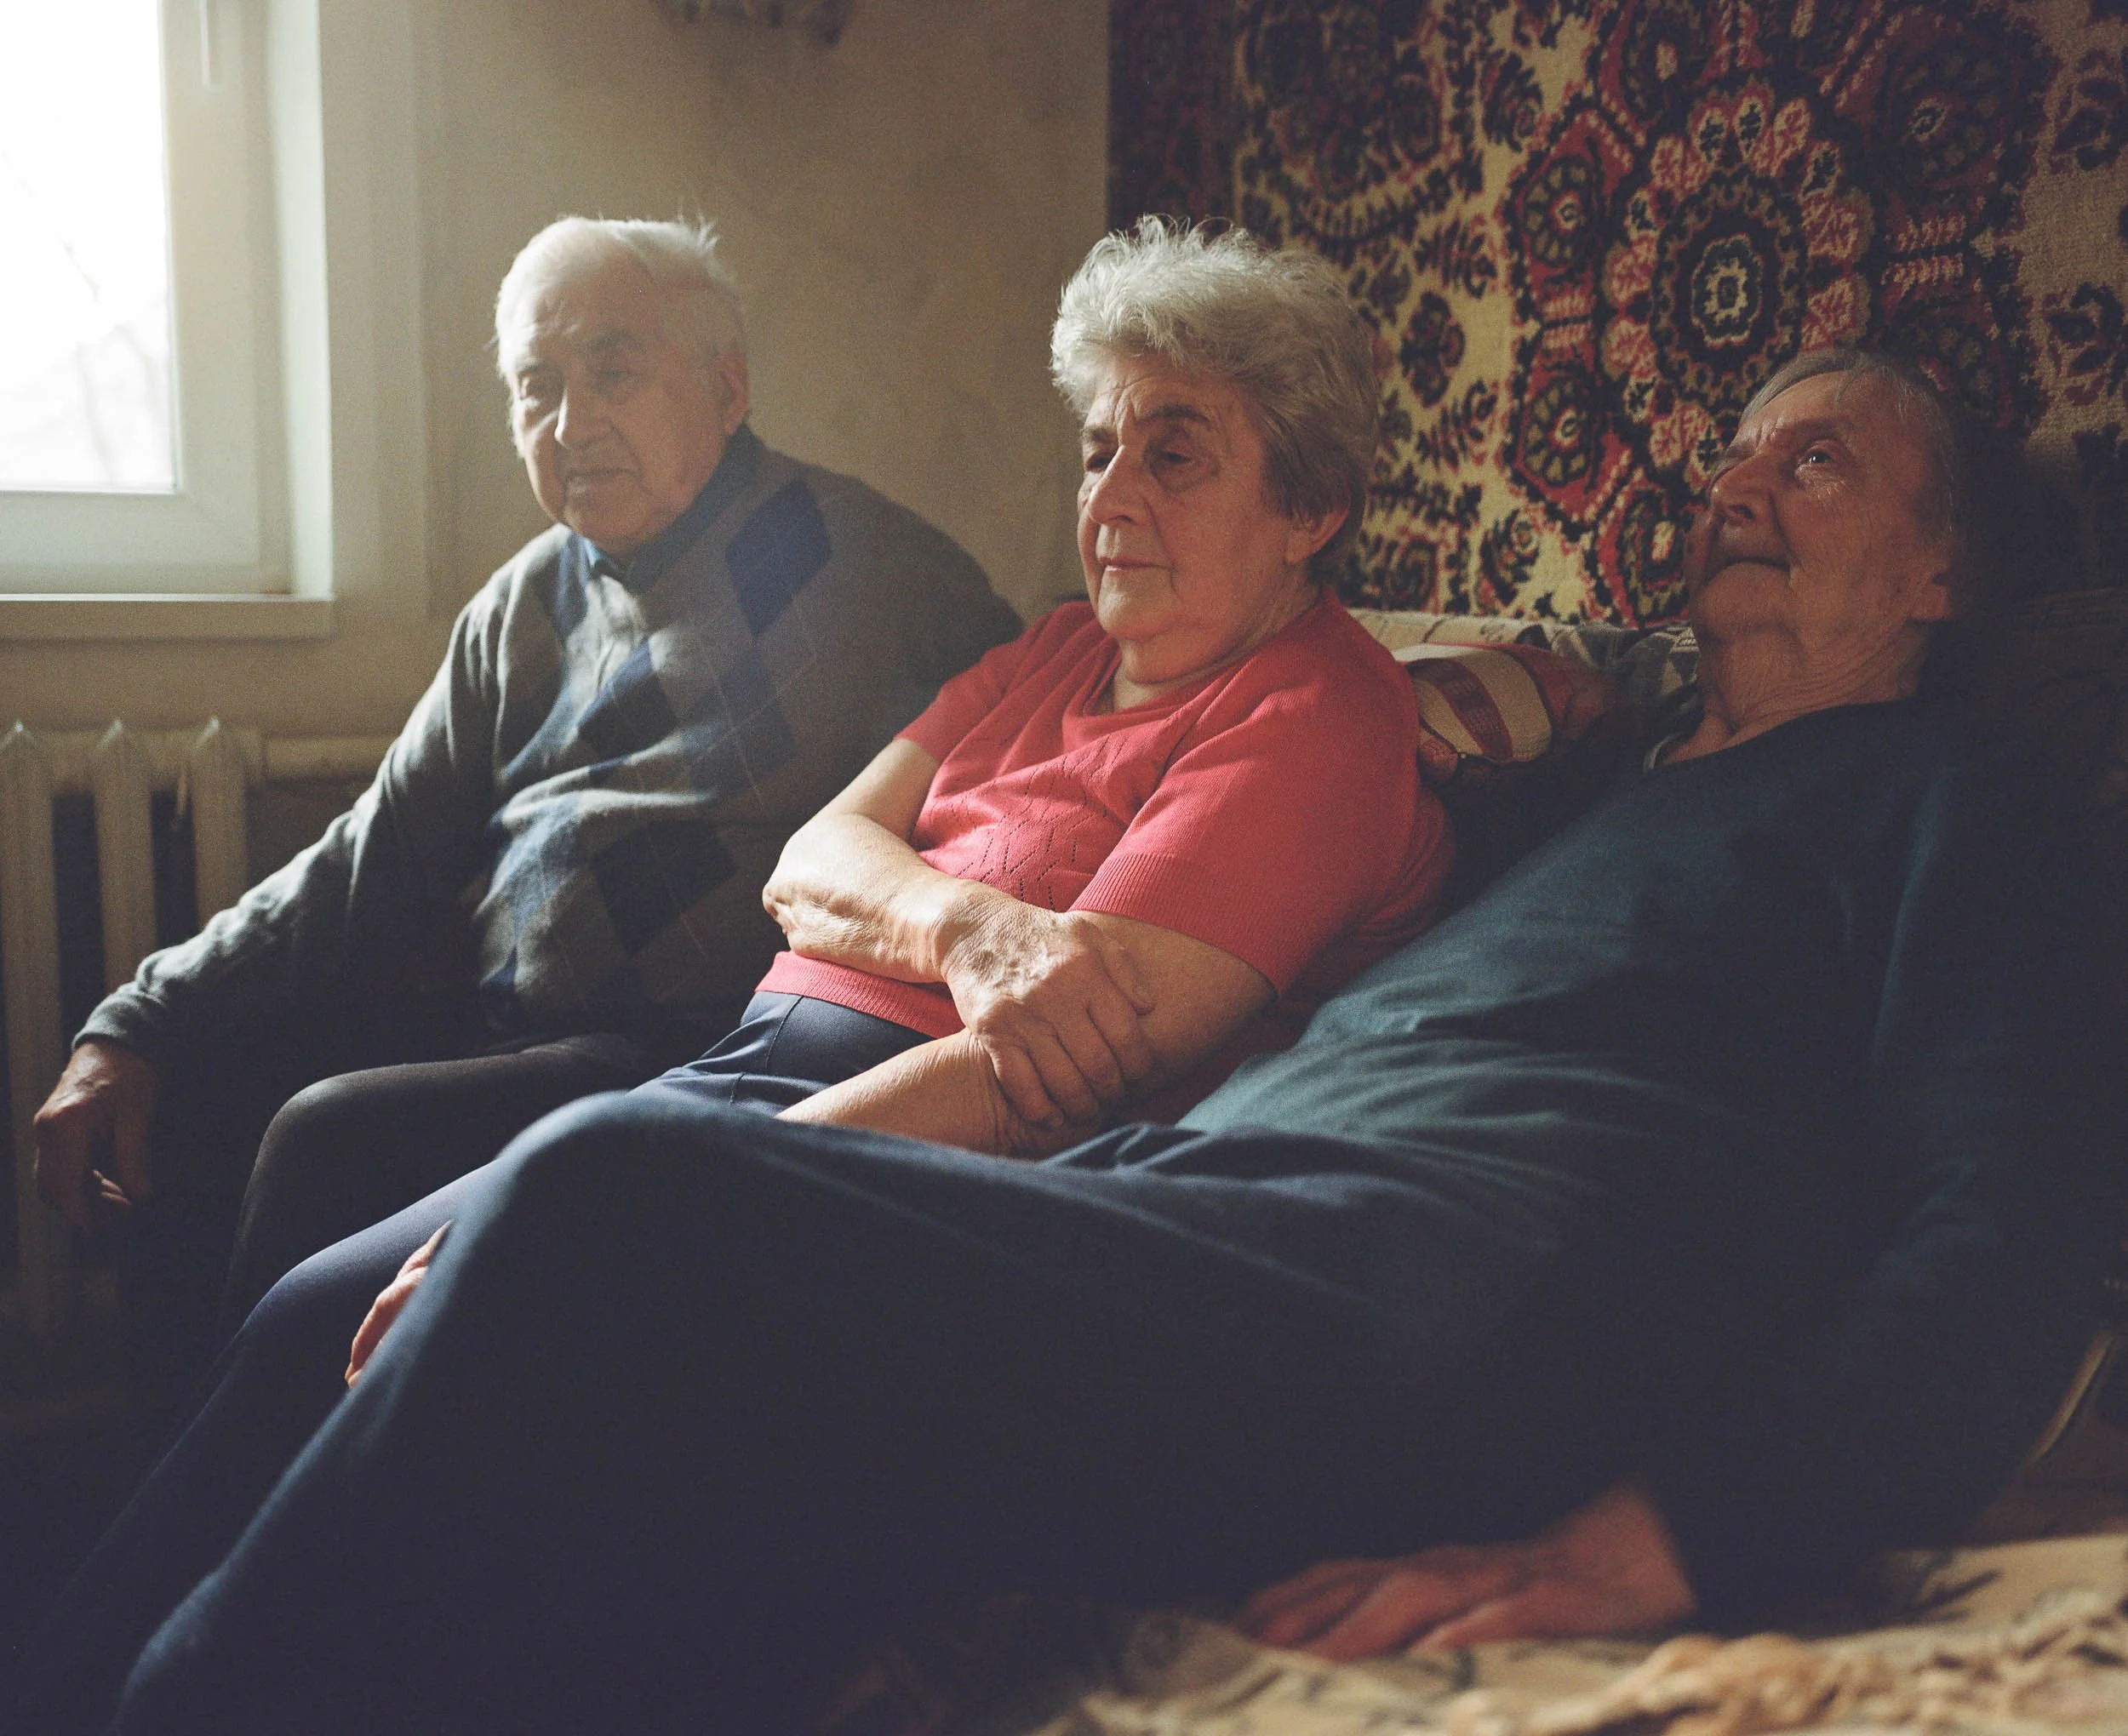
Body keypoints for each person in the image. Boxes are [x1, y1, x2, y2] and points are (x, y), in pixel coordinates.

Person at [13, 343, 2112, 1735]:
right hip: (1190, 1218)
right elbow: (1457, 723)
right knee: (561, 1398)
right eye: (1732, 445)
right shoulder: (1611, 775)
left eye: (1813, 459)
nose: (1736, 480)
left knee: (600, 1194)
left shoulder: (1968, 809)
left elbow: (2004, 1227)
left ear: (1941, 574)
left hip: (1411, 1292)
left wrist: (1657, 1534)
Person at [28, 215, 1020, 1407]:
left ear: (726, 384)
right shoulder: (525, 603)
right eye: (535, 387)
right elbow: (370, 865)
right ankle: (179, 1491)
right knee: (196, 1085)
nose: (571, 422)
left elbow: (1023, 795)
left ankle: (255, 1515)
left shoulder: (877, 573)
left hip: (709, 1049)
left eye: (613, 370)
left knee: (328, 1137)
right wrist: (138, 1020)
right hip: (511, 1027)